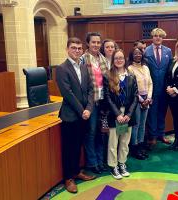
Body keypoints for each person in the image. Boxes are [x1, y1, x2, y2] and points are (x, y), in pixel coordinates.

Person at [56, 37, 96, 193]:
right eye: (74, 48)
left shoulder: (85, 66)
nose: (77, 51)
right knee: (69, 148)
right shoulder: (62, 68)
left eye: (79, 48)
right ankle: (68, 178)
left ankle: (77, 171)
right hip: (70, 116)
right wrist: (82, 111)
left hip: (85, 114)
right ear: (67, 49)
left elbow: (92, 90)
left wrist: (89, 109)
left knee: (79, 145)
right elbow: (68, 93)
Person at [104, 49, 138, 179]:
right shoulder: (108, 76)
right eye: (116, 58)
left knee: (125, 141)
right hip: (115, 113)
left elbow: (135, 96)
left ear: (125, 60)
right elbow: (107, 97)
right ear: (113, 60)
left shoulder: (131, 75)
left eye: (121, 58)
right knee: (113, 141)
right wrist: (118, 114)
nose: (119, 60)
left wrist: (129, 114)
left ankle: (122, 163)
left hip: (128, 113)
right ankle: (113, 166)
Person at [81, 32, 109, 174]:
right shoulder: (83, 59)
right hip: (90, 103)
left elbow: (107, 80)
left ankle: (100, 160)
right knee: (91, 133)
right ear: (88, 43)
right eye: (93, 42)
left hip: (102, 102)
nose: (96, 45)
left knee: (101, 133)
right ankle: (92, 163)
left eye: (98, 42)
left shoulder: (103, 59)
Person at [144, 28, 172, 146]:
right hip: (152, 88)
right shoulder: (146, 51)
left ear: (163, 37)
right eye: (156, 35)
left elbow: (170, 70)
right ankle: (153, 136)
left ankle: (161, 134)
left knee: (162, 112)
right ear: (152, 37)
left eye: (160, 36)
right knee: (152, 114)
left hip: (164, 88)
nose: (158, 38)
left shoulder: (168, 51)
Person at [128, 48, 153, 160]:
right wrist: (141, 100)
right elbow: (131, 88)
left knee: (143, 124)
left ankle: (141, 146)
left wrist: (148, 98)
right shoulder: (129, 69)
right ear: (131, 56)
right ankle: (134, 148)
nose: (138, 55)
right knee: (136, 125)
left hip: (146, 98)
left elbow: (150, 83)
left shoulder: (146, 67)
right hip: (136, 100)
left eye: (139, 53)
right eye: (135, 54)